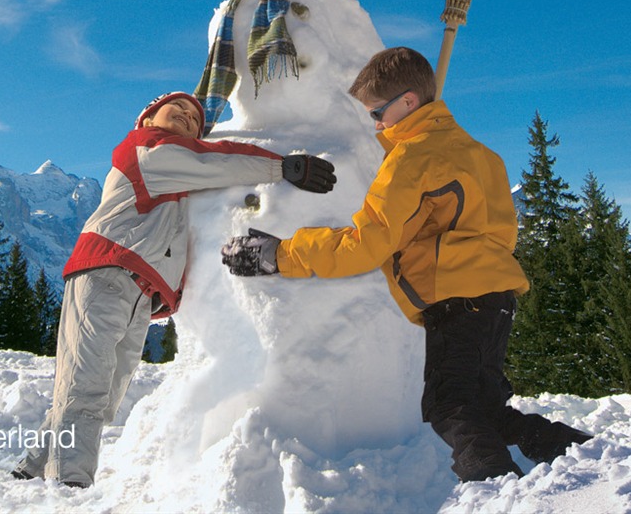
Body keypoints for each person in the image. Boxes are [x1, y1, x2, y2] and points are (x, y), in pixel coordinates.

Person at [221, 48, 592, 482]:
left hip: (458, 301)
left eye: (378, 112)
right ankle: (587, 454)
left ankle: (494, 490)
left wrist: (279, 254)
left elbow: (364, 246)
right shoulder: (482, 154)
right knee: (485, 409)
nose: (376, 124)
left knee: (448, 406)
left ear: (410, 102)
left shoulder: (410, 161)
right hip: (497, 298)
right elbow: (496, 233)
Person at [13, 91, 336, 488]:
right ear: (148, 119)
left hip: (135, 291)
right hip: (105, 276)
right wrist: (282, 166)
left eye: (194, 118)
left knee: (102, 391)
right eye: (176, 110)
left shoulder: (172, 175)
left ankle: (32, 467)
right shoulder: (147, 151)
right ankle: (68, 485)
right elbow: (214, 161)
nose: (186, 117)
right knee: (88, 386)